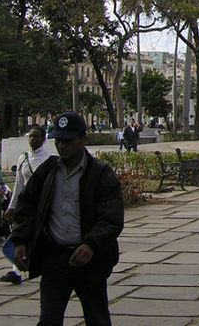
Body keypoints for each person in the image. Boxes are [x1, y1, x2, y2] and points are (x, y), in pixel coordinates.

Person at [11, 112, 124, 326]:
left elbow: (112, 218)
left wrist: (91, 244)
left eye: (68, 141)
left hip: (90, 260)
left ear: (83, 140)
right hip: (55, 258)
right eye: (59, 141)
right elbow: (27, 205)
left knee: (97, 318)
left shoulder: (100, 174)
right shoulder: (48, 171)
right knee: (49, 319)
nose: (63, 146)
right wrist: (20, 239)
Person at [0, 125, 51, 285]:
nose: (32, 139)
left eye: (36, 137)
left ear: (44, 139)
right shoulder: (23, 158)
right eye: (30, 136)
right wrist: (12, 206)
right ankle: (16, 270)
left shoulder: (49, 160)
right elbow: (18, 184)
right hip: (26, 205)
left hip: (42, 204)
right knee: (20, 235)